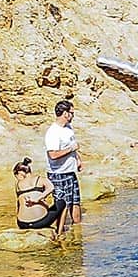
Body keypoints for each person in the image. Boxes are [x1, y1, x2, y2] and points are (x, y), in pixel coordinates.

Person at [44, 99, 83, 232]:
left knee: (75, 201)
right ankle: (59, 232)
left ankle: (78, 231)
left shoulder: (68, 128)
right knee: (62, 204)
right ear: (65, 114)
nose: (73, 116)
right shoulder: (53, 132)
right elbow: (53, 155)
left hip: (70, 171)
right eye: (72, 113)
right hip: (58, 173)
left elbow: (73, 145)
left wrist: (78, 159)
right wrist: (71, 150)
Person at [13, 157, 66, 232]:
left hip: (22, 224)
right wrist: (39, 199)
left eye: (16, 175)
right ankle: (60, 232)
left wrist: (38, 201)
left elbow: (19, 205)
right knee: (62, 202)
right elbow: (51, 187)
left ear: (20, 172)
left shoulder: (18, 185)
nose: (17, 178)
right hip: (39, 223)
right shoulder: (40, 179)